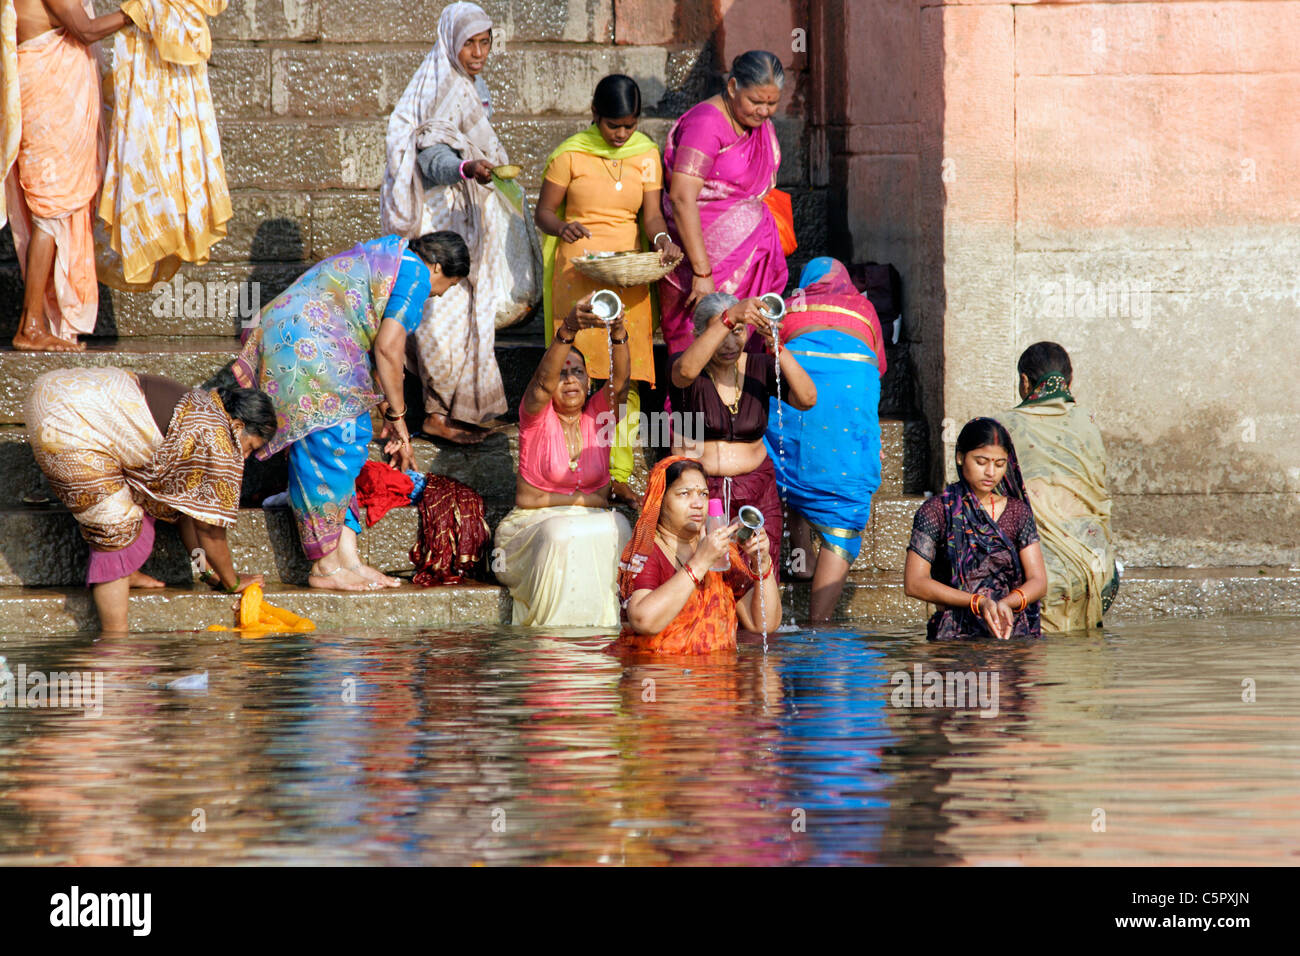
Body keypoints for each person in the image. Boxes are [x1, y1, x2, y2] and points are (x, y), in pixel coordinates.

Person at [233, 232, 468, 591]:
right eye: (446, 286)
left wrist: (390, 409)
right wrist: (398, 416)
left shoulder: (391, 260)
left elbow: (374, 344)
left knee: (352, 437)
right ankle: (325, 569)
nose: (438, 295)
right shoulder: (415, 273)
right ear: (436, 267)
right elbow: (390, 347)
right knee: (331, 445)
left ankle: (349, 560)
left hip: (304, 339)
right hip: (306, 343)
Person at [380, 0, 539, 444]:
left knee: (472, 310)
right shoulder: (440, 85)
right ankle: (435, 413)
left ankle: (469, 410)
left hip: (465, 220)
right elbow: (432, 158)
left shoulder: (471, 84)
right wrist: (468, 169)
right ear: (451, 42)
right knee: (440, 316)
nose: (477, 52)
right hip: (436, 223)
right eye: (468, 43)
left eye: (484, 42)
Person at [25, 367, 275, 632]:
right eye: (250, 447)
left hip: (55, 389)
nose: (245, 457)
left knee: (133, 502)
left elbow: (187, 515)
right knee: (116, 530)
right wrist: (232, 581)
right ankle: (116, 644)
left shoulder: (204, 407)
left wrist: (206, 572)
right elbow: (210, 530)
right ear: (238, 426)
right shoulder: (219, 439)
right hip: (69, 419)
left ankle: (127, 572)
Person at [535, 74, 681, 508]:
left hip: (627, 276)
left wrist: (661, 243)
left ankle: (616, 474)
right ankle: (572, 467)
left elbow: (652, 219)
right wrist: (562, 227)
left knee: (627, 377)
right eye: (613, 125)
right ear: (594, 116)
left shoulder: (647, 156)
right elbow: (543, 212)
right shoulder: (570, 155)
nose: (621, 135)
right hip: (577, 273)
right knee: (576, 372)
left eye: (630, 125)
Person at [493, 294, 632, 626]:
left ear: (589, 381)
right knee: (559, 532)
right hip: (530, 529)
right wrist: (568, 329)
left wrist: (619, 332)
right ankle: (553, 635)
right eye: (563, 373)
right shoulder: (536, 417)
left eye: (578, 372)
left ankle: (605, 629)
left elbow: (622, 385)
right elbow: (528, 500)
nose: (570, 379)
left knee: (621, 527)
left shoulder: (599, 416)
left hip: (585, 521)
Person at [2, 0, 131, 351]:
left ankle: (42, 321)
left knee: (53, 209)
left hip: (47, 87)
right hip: (48, 90)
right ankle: (30, 325)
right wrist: (136, 13)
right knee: (51, 210)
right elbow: (84, 29)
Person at [768, 258, 888, 623]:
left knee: (788, 451)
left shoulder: (790, 307)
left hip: (803, 408)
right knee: (843, 507)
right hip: (850, 430)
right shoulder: (866, 309)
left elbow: (767, 359)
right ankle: (819, 622)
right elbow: (879, 367)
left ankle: (800, 558)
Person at [671, 292, 816, 561]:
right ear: (700, 333)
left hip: (757, 490)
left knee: (759, 576)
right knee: (707, 580)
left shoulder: (760, 366)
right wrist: (730, 317)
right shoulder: (684, 365)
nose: (729, 343)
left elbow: (808, 398)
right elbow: (686, 372)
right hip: (698, 495)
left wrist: (777, 346)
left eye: (737, 331)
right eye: (721, 331)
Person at [659, 49, 786, 353]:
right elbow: (681, 196)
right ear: (732, 87)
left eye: (772, 103)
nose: (764, 111)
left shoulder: (758, 126)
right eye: (756, 101)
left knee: (744, 351)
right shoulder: (706, 123)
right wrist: (703, 274)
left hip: (753, 258)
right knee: (698, 351)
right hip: (699, 266)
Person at [1002, 342, 1119, 631]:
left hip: (1035, 577)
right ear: (1069, 381)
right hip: (1099, 569)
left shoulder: (1004, 426)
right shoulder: (1087, 421)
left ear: (1025, 381)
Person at [903, 418, 1048, 641]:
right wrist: (977, 602)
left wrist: (1005, 604)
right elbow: (914, 583)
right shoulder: (937, 511)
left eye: (1000, 464)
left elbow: (1038, 581)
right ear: (960, 457)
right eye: (981, 461)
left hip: (1011, 631)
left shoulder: (1018, 512)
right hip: (954, 635)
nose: (991, 472)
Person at [618, 456, 780, 653]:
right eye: (684, 493)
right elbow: (644, 621)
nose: (697, 503)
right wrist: (700, 562)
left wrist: (761, 561)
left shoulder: (721, 552)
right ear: (659, 500)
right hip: (660, 675)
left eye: (703, 494)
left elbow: (763, 624)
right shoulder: (648, 550)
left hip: (717, 675)